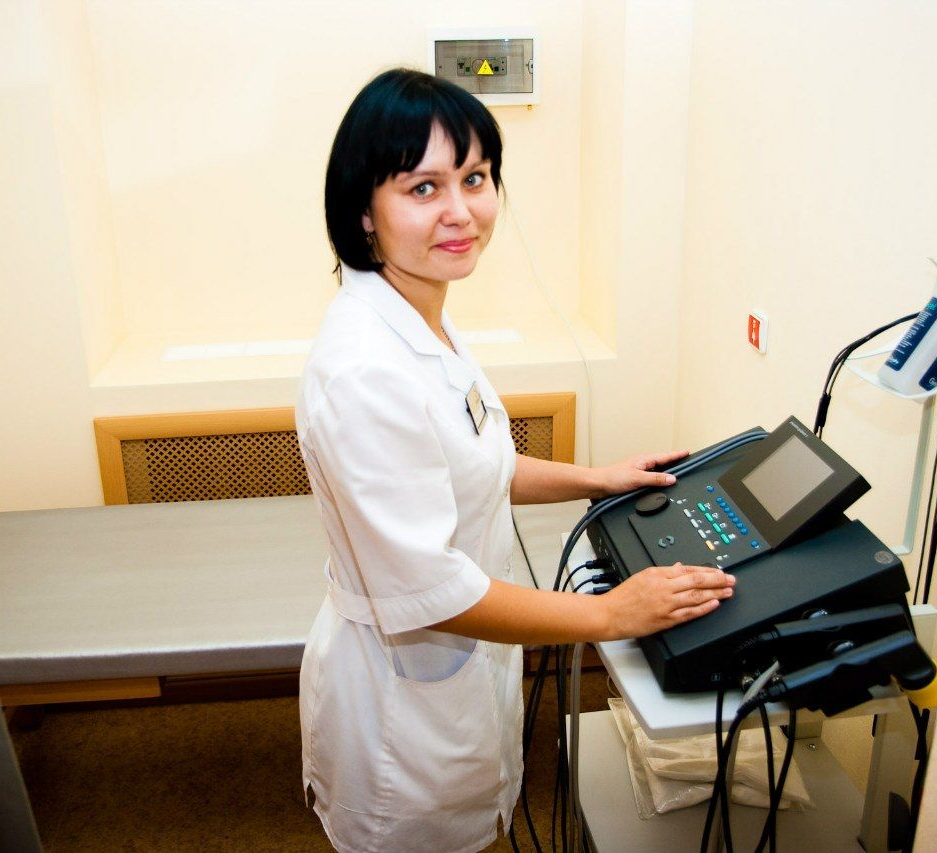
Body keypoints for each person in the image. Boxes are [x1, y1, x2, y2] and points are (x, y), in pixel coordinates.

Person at [295, 68, 736, 853]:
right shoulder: (364, 369)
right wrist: (609, 614)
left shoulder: (421, 314)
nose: (461, 211)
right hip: (400, 711)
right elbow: (431, 588)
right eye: (423, 188)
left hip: (456, 673)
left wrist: (596, 478)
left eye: (475, 178)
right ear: (364, 209)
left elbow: (475, 459)